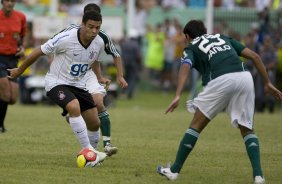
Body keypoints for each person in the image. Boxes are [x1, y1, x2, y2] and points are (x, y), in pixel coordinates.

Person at [157, 20, 282, 184]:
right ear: (206, 31)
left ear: (187, 36)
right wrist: (268, 83)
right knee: (247, 129)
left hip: (221, 79)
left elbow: (185, 65)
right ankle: (259, 176)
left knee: (196, 125)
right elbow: (255, 56)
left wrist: (178, 94)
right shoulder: (223, 38)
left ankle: (174, 171)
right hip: (244, 77)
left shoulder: (191, 46)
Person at [8, 11, 107, 166]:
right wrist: (20, 70)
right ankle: (88, 151)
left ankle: (92, 157)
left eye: (97, 28)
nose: (94, 31)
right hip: (56, 82)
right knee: (74, 107)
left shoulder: (99, 42)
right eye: (90, 27)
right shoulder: (66, 38)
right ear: (83, 24)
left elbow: (94, 60)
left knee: (94, 123)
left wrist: (99, 77)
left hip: (79, 85)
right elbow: (38, 52)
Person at [63, 3, 128, 156]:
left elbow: (109, 56)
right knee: (79, 108)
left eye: (96, 24)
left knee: (98, 103)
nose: (94, 29)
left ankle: (107, 144)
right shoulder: (71, 31)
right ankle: (76, 117)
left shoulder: (102, 36)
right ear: (84, 20)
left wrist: (118, 76)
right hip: (70, 76)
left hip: (88, 75)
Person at [0, 0, 27, 133]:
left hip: (13, 59)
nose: (10, 3)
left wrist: (22, 48)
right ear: (2, 2)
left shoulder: (21, 17)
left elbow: (23, 37)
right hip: (0, 58)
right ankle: (1, 126)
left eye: (12, 1)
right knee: (5, 93)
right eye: (7, 1)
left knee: (12, 98)